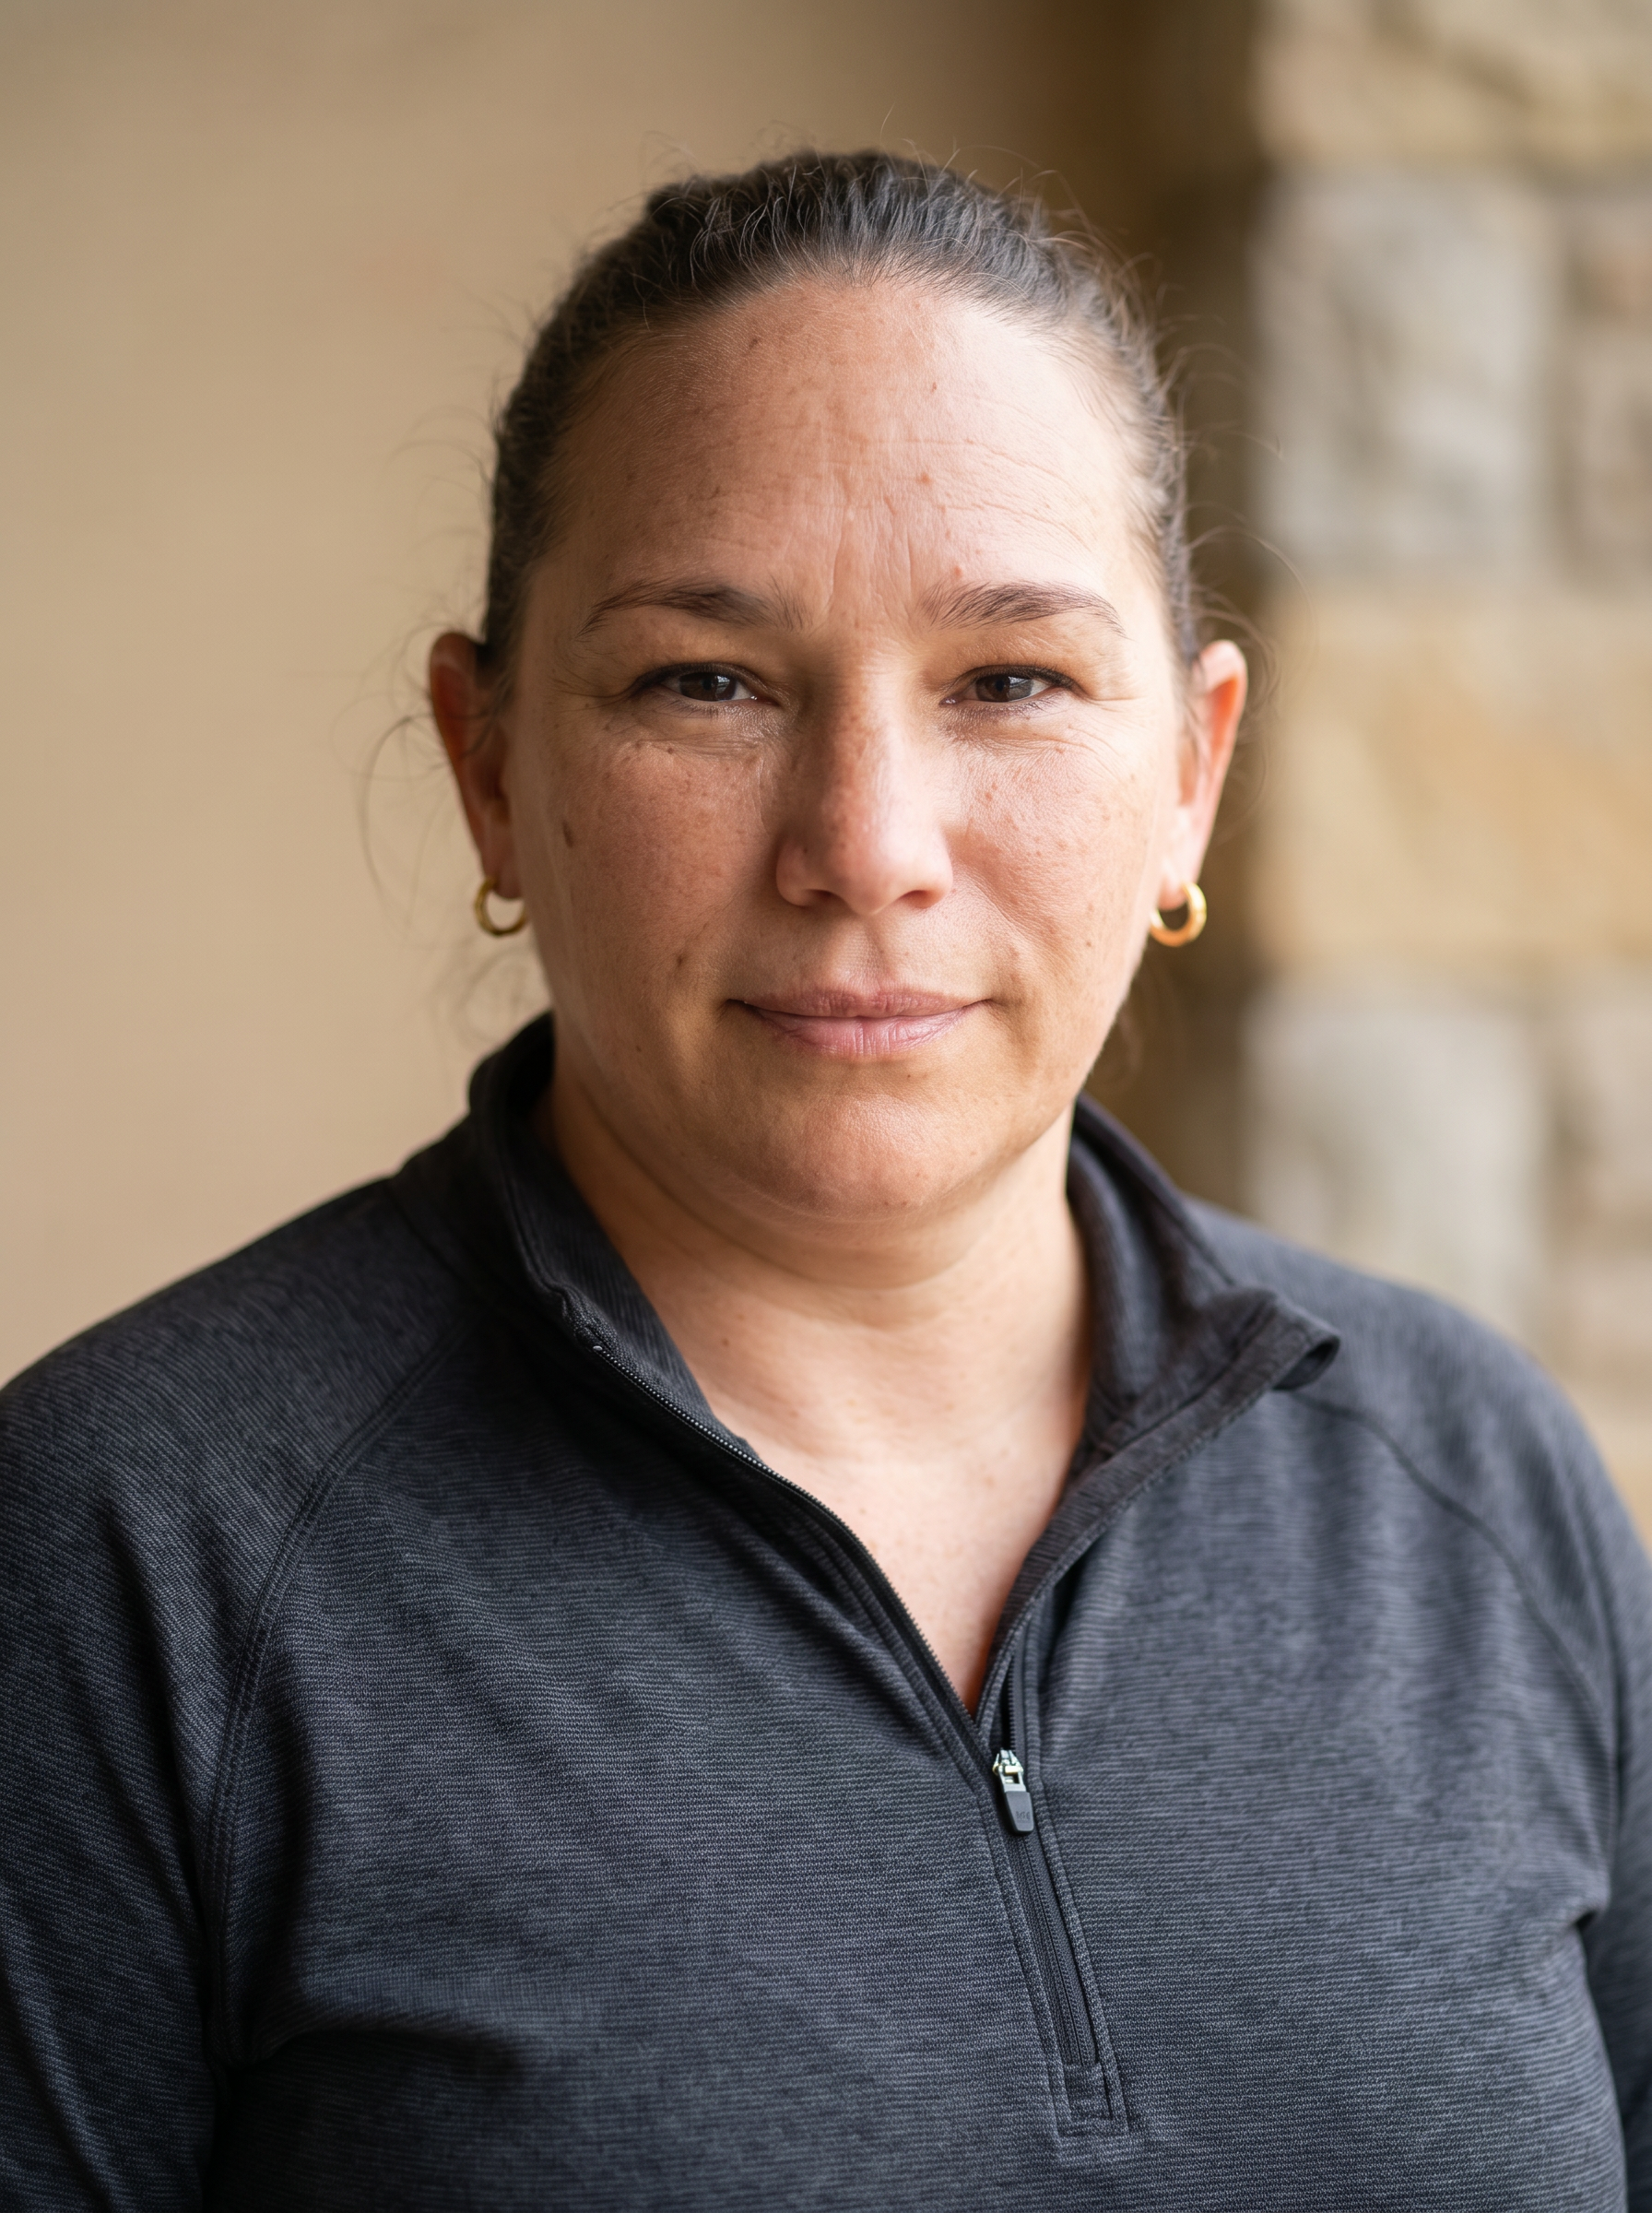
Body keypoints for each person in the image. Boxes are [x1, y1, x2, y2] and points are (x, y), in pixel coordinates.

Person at [1, 151, 1647, 2212]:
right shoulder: (128, 1555)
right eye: (705, 683)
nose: (865, 843)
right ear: (490, 765)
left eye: (1010, 681)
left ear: (1190, 773)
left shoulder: (1470, 1480)